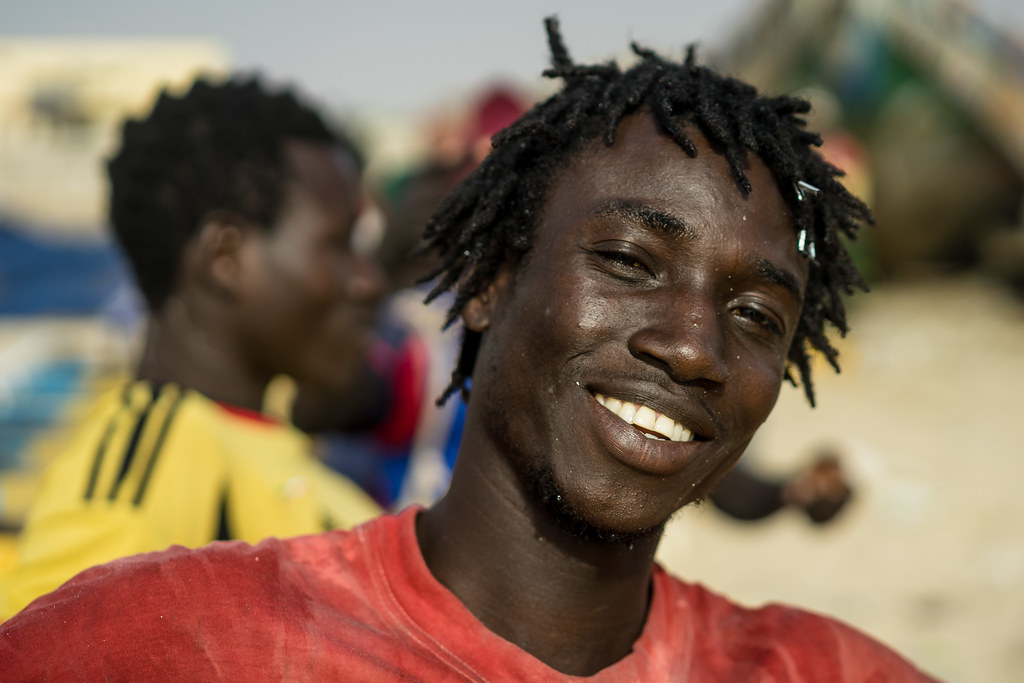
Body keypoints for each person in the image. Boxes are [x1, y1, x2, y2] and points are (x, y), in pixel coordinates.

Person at [0, 18, 939, 680]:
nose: (695, 346)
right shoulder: (159, 640)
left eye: (756, 316)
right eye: (626, 259)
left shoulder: (830, 667)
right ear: (489, 278)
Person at [0, 77, 384, 619]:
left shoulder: (260, 444)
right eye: (340, 244)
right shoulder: (143, 481)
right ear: (225, 256)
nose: (368, 281)